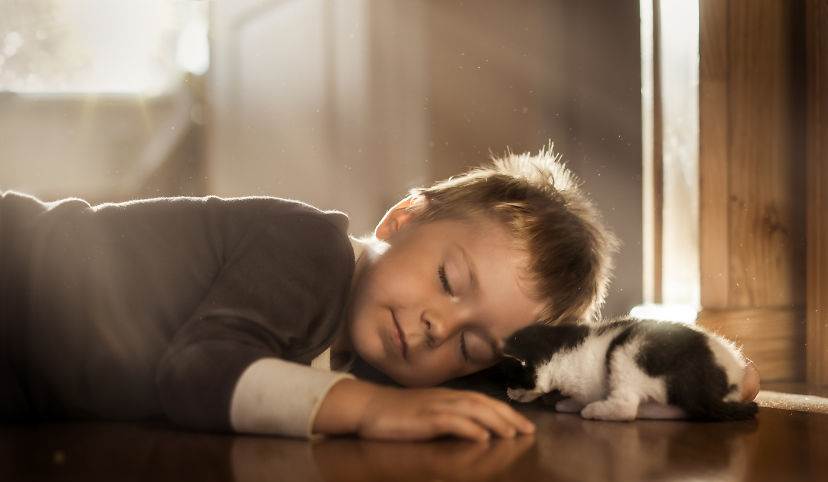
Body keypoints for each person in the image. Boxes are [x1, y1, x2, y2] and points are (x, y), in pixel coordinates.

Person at [0, 146, 759, 441]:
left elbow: (558, 366)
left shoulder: (399, 346)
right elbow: (197, 372)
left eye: (469, 343)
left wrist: (711, 372)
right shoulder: (310, 253)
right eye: (447, 280)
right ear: (401, 220)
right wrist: (377, 409)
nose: (437, 326)